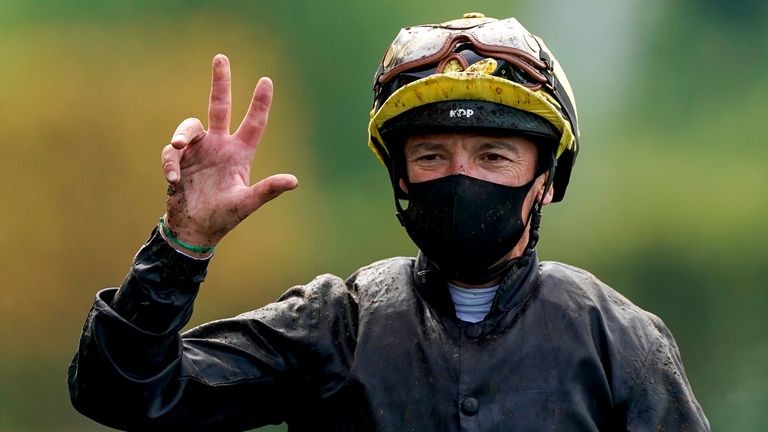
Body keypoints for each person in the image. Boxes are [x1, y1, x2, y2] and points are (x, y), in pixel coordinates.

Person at [68, 13, 710, 431]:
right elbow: (122, 393)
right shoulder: (333, 323)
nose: (463, 178)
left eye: (494, 156)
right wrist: (183, 243)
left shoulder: (620, 342)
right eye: (432, 156)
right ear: (400, 177)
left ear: (545, 181)